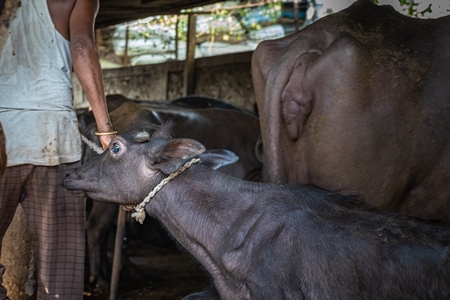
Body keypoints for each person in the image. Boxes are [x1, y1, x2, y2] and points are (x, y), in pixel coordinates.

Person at [0, 0, 115, 299]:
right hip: (54, 136)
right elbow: (82, 48)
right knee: (60, 269)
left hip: (3, 129)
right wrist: (105, 131)